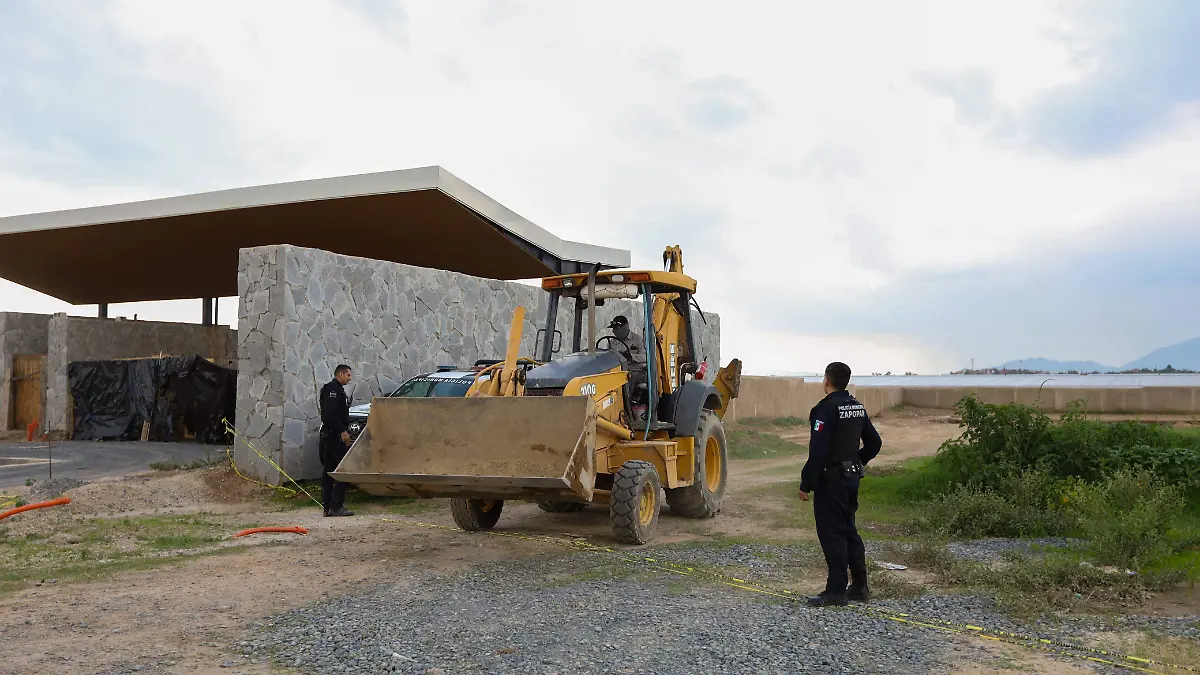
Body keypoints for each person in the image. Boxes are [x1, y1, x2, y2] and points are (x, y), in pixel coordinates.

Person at [797, 361, 882, 607]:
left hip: (831, 480)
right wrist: (856, 461)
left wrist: (806, 483)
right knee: (849, 530)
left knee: (832, 532)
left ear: (826, 380)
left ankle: (835, 591)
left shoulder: (825, 409)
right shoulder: (856, 406)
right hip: (852, 478)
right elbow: (874, 443)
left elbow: (819, 452)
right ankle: (859, 586)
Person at [319, 364, 355, 517]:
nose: (350, 378)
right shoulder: (332, 389)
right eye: (348, 375)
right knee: (345, 470)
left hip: (330, 436)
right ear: (340, 374)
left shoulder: (337, 389)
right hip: (334, 436)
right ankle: (336, 506)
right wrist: (342, 431)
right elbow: (330, 414)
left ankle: (327, 507)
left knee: (329, 472)